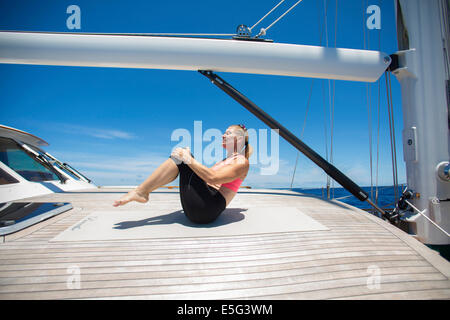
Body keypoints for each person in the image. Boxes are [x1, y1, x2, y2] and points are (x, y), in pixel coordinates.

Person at [113, 124, 253, 224]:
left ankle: (141, 192)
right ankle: (141, 191)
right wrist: (186, 158)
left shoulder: (242, 162)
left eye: (228, 133)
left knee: (183, 157)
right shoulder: (225, 161)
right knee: (182, 157)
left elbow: (212, 177)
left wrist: (187, 158)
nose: (223, 135)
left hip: (208, 208)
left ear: (239, 139)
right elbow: (205, 178)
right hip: (201, 207)